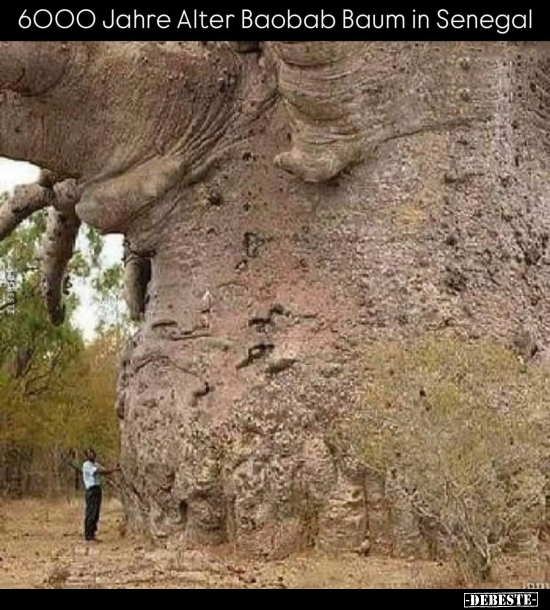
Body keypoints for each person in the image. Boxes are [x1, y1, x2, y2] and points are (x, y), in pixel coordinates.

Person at [77, 449, 120, 542]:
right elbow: (100, 472)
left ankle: (93, 534)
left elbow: (105, 470)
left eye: (92, 453)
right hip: (91, 490)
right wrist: (114, 469)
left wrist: (114, 469)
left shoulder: (95, 464)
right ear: (86, 456)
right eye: (89, 454)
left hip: (97, 489)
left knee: (96, 513)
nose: (92, 455)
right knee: (91, 513)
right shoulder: (87, 465)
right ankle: (88, 535)